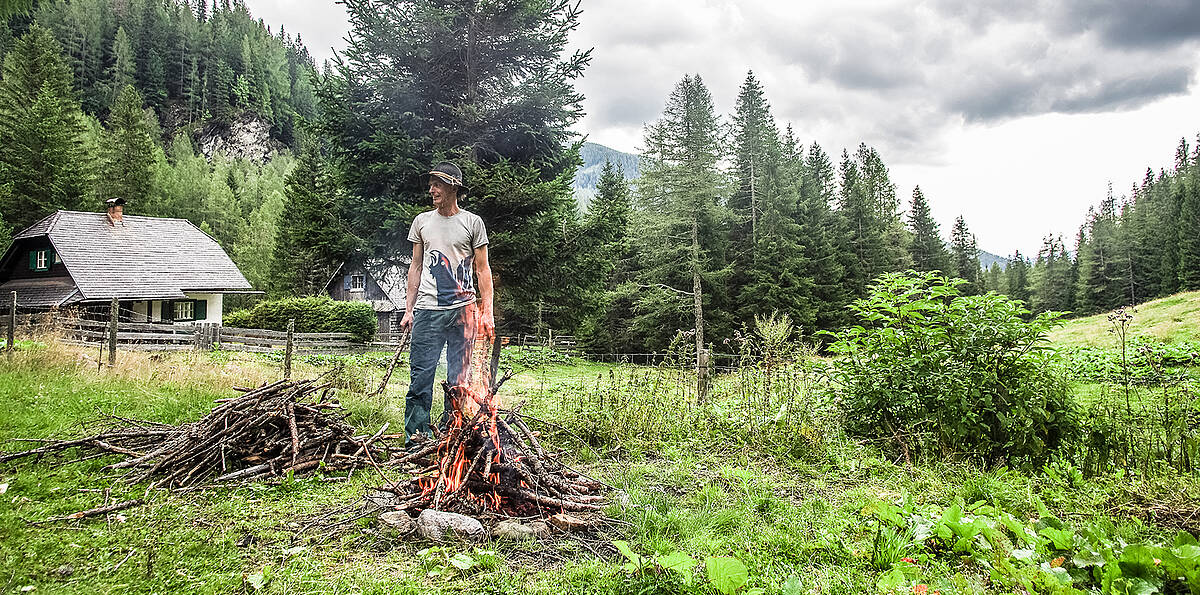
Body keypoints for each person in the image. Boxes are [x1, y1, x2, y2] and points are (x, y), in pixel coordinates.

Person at [400, 161, 494, 447]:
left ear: (453, 187)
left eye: (437, 184)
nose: (432, 190)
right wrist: (408, 309)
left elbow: (482, 269)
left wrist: (486, 311)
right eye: (431, 184)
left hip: (464, 312)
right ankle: (417, 438)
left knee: (458, 379)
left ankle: (451, 434)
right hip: (428, 312)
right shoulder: (422, 222)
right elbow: (415, 267)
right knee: (421, 378)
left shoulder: (472, 222)